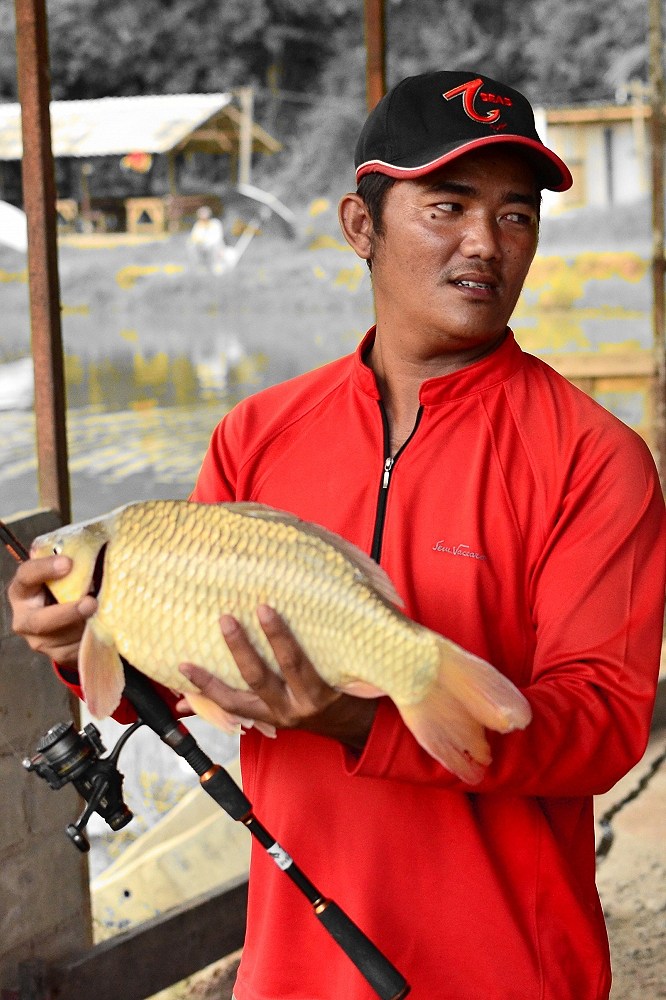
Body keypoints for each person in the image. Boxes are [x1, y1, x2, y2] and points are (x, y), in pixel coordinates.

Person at [9, 71, 666, 1000]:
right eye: (446, 206)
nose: (485, 242)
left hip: (511, 968)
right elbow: (194, 682)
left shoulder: (595, 460)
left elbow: (601, 731)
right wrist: (83, 647)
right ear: (362, 226)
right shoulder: (257, 433)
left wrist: (360, 718)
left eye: (517, 216)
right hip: (298, 968)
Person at [187, 204, 227, 272]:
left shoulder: (215, 223)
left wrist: (207, 242)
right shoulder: (198, 225)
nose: (203, 216)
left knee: (215, 246)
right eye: (201, 214)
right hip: (202, 245)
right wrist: (197, 242)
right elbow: (193, 237)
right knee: (192, 246)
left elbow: (218, 237)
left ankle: (217, 266)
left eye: (204, 214)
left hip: (214, 245)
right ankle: (201, 266)